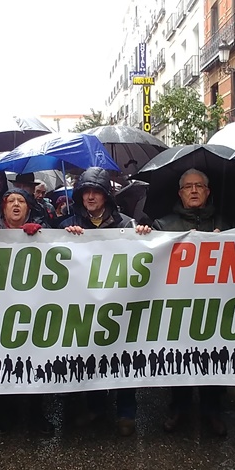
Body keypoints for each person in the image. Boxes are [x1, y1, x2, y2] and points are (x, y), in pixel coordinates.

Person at [60, 167, 151, 436]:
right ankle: (96, 407)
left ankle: (126, 413)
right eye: (85, 192)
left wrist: (143, 234)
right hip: (86, 305)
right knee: (91, 356)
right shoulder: (71, 223)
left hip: (120, 304)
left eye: (95, 192)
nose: (90, 197)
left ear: (106, 197)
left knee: (123, 355)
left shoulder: (127, 224)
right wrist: (65, 234)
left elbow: (145, 250)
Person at [0, 186, 53, 434]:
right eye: (10, 201)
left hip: (32, 304)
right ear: (3, 207)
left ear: (28, 207)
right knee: (1, 357)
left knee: (34, 358)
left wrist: (41, 238)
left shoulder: (42, 229)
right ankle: (5, 413)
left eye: (21, 201)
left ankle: (37, 414)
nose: (15, 205)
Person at [152, 169, 229, 437]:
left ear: (208, 192)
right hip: (179, 306)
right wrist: (143, 235)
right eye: (188, 187)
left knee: (211, 358)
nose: (194, 190)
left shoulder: (227, 224)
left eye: (199, 186)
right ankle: (179, 408)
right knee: (179, 357)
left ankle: (212, 411)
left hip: (215, 306)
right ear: (180, 193)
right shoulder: (162, 226)